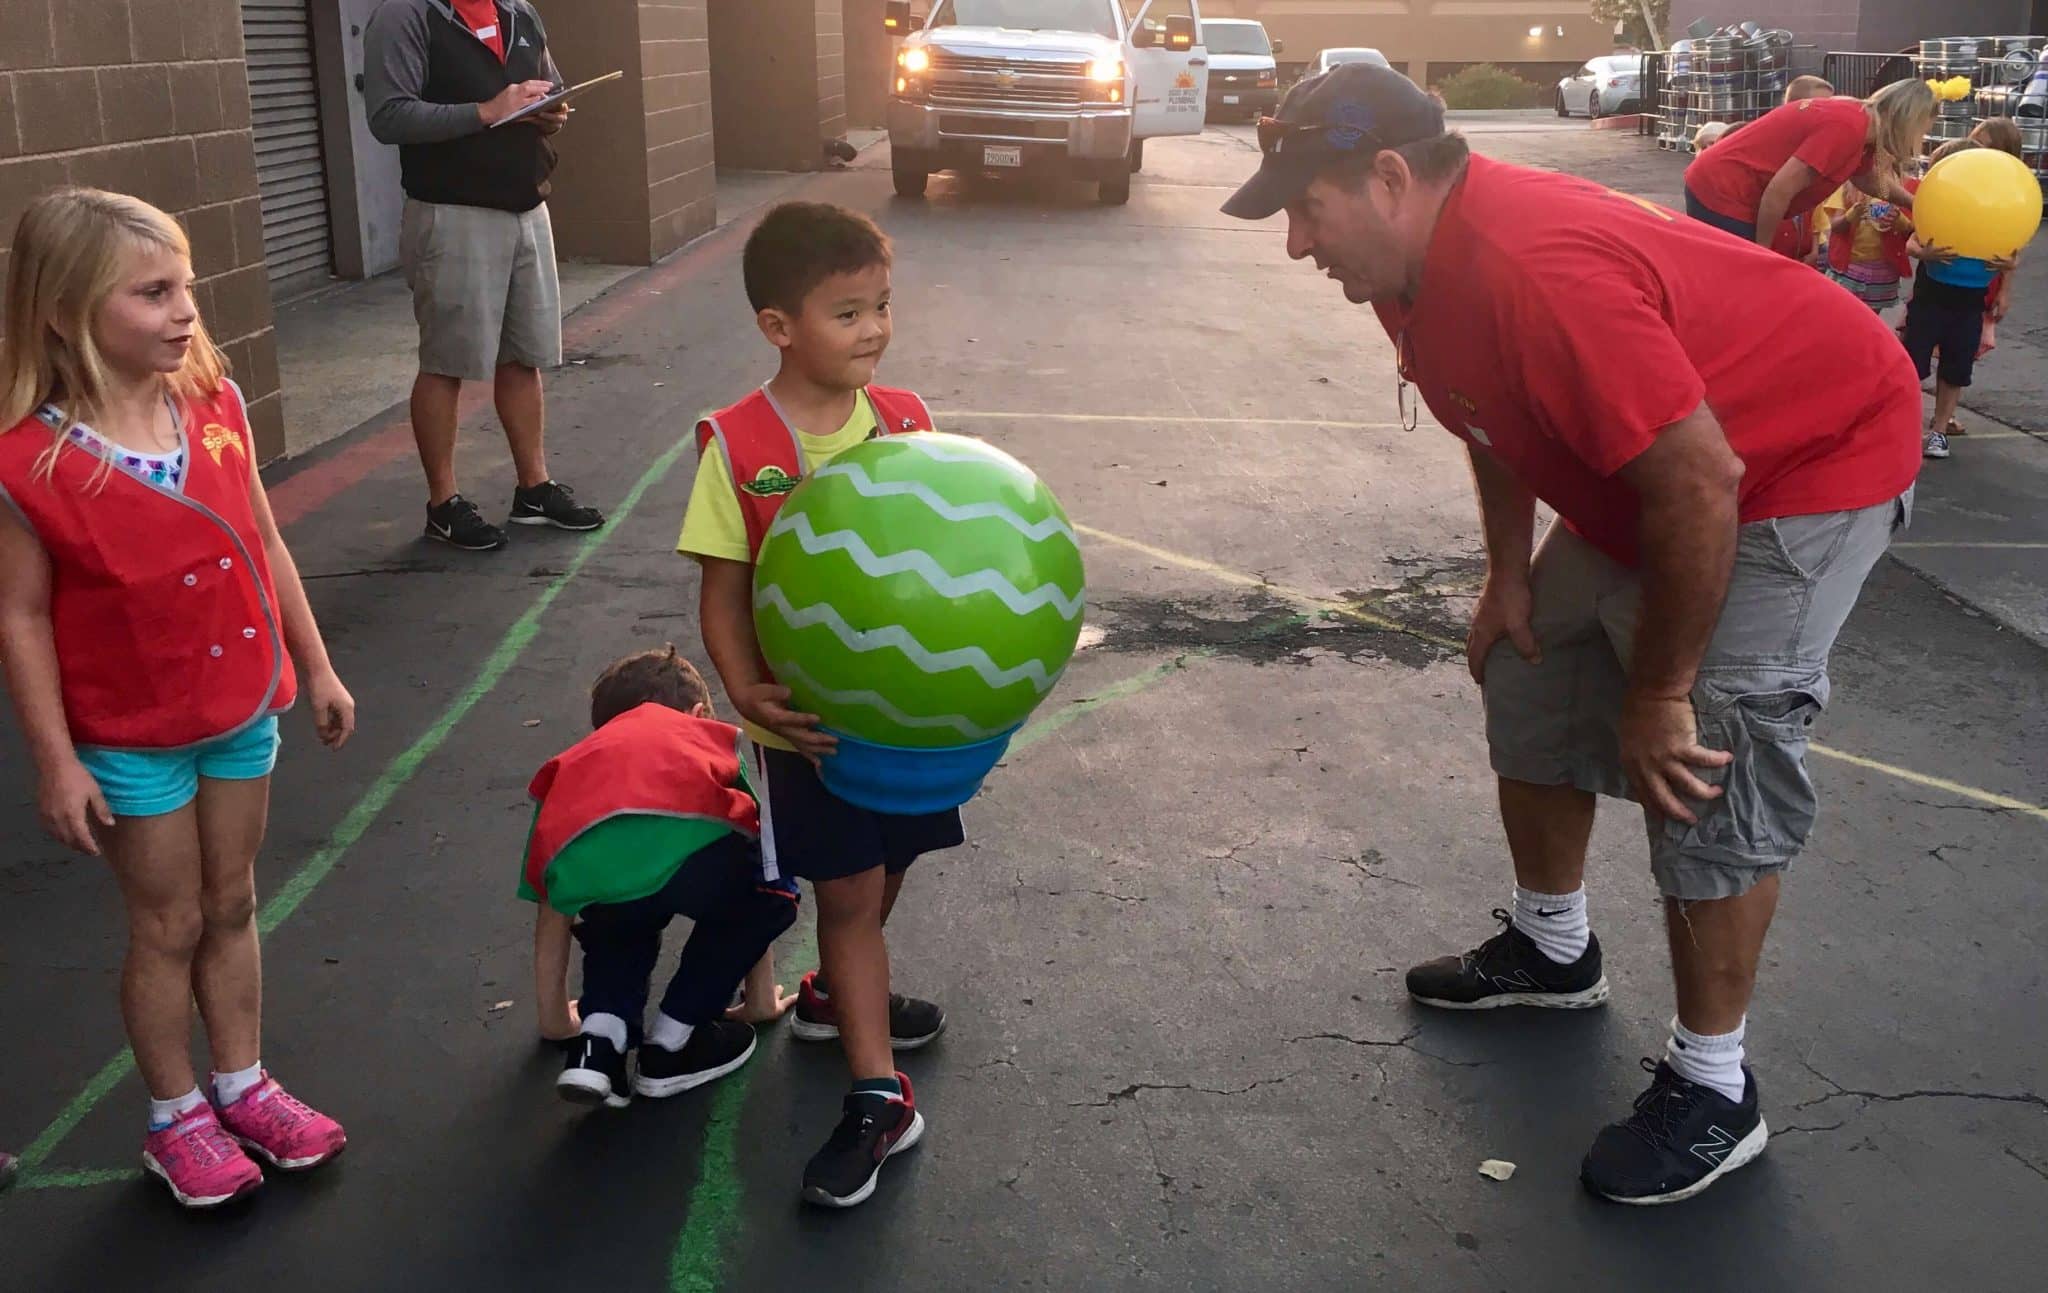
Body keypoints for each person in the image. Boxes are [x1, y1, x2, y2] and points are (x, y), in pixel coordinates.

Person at [1223, 65, 1921, 1205]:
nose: (1298, 243)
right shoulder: (1408, 270)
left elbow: (1698, 483)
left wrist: (1660, 692)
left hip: (1800, 458)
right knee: (1528, 661)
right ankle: (1554, 949)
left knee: (1706, 751)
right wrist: (1507, 574)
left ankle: (1715, 1087)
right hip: (1662, 464)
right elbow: (1487, 413)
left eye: (1308, 208)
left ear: (1390, 179)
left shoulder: (1534, 268)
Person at [0, 190, 357, 1209]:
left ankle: (243, 1084)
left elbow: (265, 539)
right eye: (153, 292)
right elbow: (21, 616)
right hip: (131, 735)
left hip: (240, 708)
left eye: (186, 286)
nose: (186, 310)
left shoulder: (214, 402)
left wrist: (316, 665)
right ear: (65, 311)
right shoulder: (28, 462)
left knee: (232, 901)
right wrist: (56, 760)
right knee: (168, 922)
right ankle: (175, 1116)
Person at [677, 202, 957, 1209]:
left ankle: (839, 992)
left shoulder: (908, 422)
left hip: (909, 721)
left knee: (892, 860)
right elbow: (722, 591)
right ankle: (879, 1096)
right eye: (847, 313)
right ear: (778, 326)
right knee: (845, 892)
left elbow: (948, 549)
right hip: (805, 728)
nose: (874, 330)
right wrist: (743, 685)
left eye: (881, 305)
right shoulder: (739, 443)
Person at [363, 0, 604, 551]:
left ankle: (534, 489)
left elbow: (549, 86)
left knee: (523, 356)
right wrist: (488, 111)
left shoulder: (519, 11)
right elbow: (388, 115)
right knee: (446, 362)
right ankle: (443, 505)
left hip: (527, 206)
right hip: (452, 212)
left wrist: (551, 111)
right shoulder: (405, 15)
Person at [522, 647, 797, 1107]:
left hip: (605, 878)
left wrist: (555, 1020)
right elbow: (757, 839)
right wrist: (761, 1000)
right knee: (769, 889)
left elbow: (551, 898)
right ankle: (674, 1040)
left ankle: (598, 1040)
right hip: (703, 865)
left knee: (618, 928)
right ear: (699, 714)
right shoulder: (703, 737)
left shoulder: (570, 767)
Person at [1684, 77, 1934, 249]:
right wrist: (1763, 251)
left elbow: (1865, 178)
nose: (1919, 139)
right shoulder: (1847, 128)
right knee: (1738, 278)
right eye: (1921, 131)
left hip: (1729, 186)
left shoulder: (1863, 127)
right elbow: (1779, 190)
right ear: (1907, 121)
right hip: (1723, 189)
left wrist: (1913, 202)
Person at [1902, 138, 2022, 459]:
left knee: (1955, 368)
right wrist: (1924, 253)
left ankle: (1939, 430)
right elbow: (1911, 242)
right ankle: (1905, 422)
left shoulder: (1989, 212)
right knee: (1912, 361)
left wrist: (2005, 287)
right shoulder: (1939, 212)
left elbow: (2011, 254)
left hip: (1969, 304)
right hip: (1929, 299)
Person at [1821, 181, 1913, 311]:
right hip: (1850, 269)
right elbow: (1835, 227)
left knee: (1871, 316)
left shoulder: (1899, 192)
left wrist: (1899, 221)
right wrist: (1851, 215)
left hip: (1883, 271)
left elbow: (1912, 232)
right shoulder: (1846, 189)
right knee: (1842, 313)